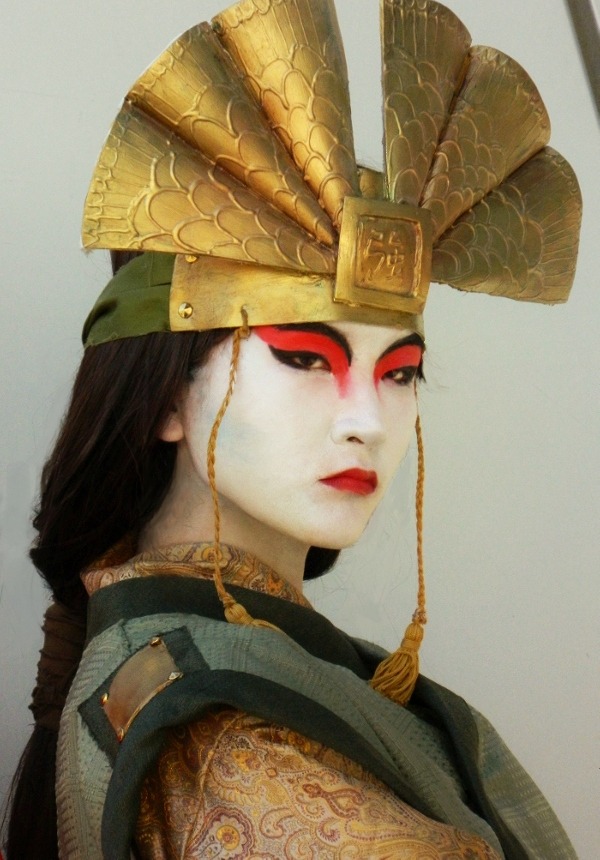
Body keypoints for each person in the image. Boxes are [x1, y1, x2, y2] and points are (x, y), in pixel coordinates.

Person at [4, 0, 583, 857]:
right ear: (165, 399)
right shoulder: (226, 744)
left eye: (400, 372)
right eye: (307, 358)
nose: (367, 421)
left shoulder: (268, 663)